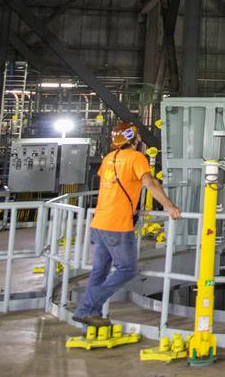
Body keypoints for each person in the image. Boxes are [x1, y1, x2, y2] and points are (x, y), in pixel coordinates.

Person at [73, 121, 182, 327]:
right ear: (134, 139)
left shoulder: (109, 158)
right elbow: (150, 183)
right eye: (138, 136)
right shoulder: (136, 157)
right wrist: (169, 206)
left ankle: (91, 313)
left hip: (100, 222)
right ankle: (86, 307)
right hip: (117, 224)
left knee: (100, 271)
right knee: (127, 269)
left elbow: (114, 186)